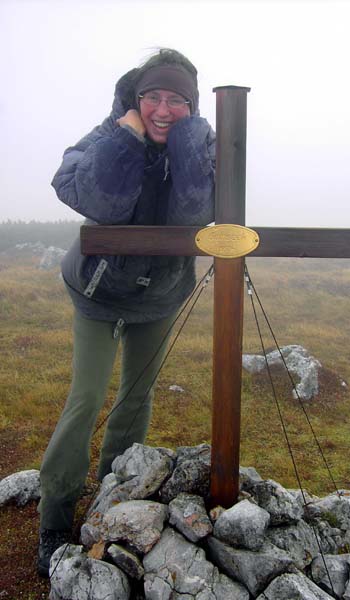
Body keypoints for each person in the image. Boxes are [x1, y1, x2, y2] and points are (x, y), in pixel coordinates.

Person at [37, 48, 215, 576]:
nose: (163, 108)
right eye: (152, 97)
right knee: (86, 398)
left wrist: (185, 148)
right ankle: (55, 515)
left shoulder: (200, 148)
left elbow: (197, 216)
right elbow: (95, 199)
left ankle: (116, 497)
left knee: (136, 398)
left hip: (159, 298)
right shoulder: (106, 136)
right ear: (135, 101)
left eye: (176, 100)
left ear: (191, 105)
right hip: (96, 293)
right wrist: (127, 139)